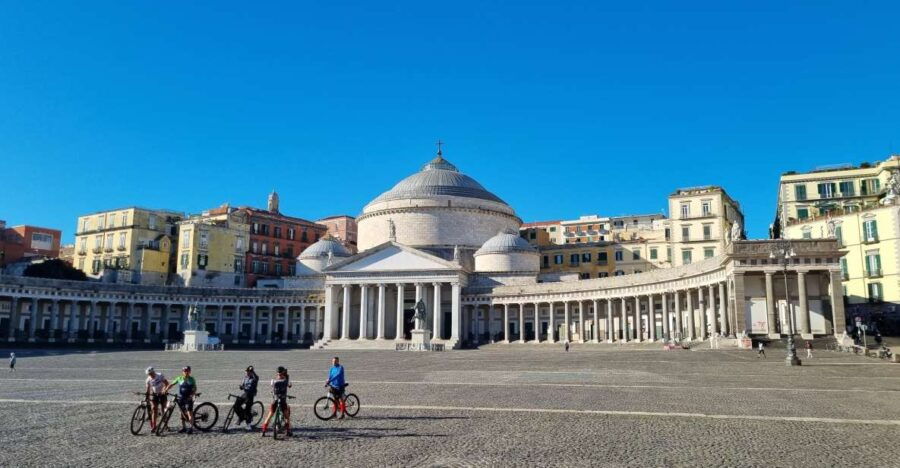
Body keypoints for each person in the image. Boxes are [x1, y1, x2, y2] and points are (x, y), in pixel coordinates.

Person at [164, 366, 197, 434]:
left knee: (189, 412)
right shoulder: (179, 378)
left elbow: (194, 388)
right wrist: (166, 389)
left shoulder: (192, 379)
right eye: (184, 371)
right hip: (181, 397)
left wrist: (192, 395)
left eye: (187, 371)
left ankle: (191, 428)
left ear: (190, 372)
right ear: (182, 372)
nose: (186, 372)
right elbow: (172, 384)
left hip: (188, 398)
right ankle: (184, 427)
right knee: (181, 413)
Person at [261, 366, 292, 437]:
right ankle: (288, 431)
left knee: (269, 416)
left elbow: (272, 386)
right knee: (287, 417)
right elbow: (290, 385)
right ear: (283, 373)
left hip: (275, 400)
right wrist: (287, 377)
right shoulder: (286, 381)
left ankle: (264, 430)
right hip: (283, 401)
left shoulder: (273, 380)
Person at [145, 367, 169, 432]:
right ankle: (154, 426)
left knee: (163, 410)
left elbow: (167, 383)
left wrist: (164, 390)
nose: (150, 375)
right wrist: (146, 397)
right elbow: (148, 390)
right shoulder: (148, 380)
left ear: (153, 372)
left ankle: (165, 425)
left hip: (162, 394)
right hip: (154, 394)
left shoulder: (160, 375)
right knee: (154, 410)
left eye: (151, 373)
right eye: (149, 374)